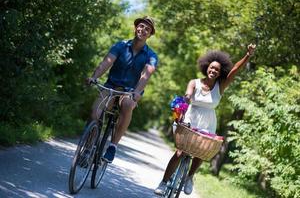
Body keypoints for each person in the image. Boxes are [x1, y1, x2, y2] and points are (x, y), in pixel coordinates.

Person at [154, 44, 256, 195]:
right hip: (189, 116)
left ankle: (190, 177)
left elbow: (235, 70)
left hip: (208, 122)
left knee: (202, 150)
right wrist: (183, 106)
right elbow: (188, 96)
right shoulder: (194, 82)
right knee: (179, 153)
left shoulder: (220, 87)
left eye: (217, 70)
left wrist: (248, 55)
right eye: (212, 67)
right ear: (206, 67)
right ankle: (163, 182)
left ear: (220, 73)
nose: (213, 71)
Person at [86, 16, 158, 163]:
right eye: (141, 26)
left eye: (147, 29)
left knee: (127, 105)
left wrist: (137, 92)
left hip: (130, 91)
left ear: (150, 34)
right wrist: (94, 77)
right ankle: (88, 147)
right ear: (135, 28)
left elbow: (147, 73)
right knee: (95, 112)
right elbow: (106, 63)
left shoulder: (151, 55)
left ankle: (112, 146)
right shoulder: (120, 45)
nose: (143, 30)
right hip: (111, 85)